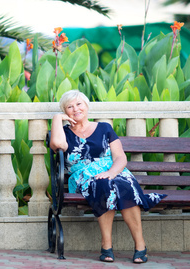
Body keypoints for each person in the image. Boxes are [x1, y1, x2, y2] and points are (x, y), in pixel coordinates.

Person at [49, 90, 166, 264]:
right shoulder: (64, 133)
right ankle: (106, 245)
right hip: (85, 177)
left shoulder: (104, 128)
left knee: (124, 186)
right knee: (103, 185)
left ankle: (140, 245)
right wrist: (57, 119)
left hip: (114, 172)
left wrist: (111, 173)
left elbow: (120, 157)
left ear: (87, 106)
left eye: (79, 104)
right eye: (70, 107)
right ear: (65, 111)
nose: (75, 109)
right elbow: (57, 145)